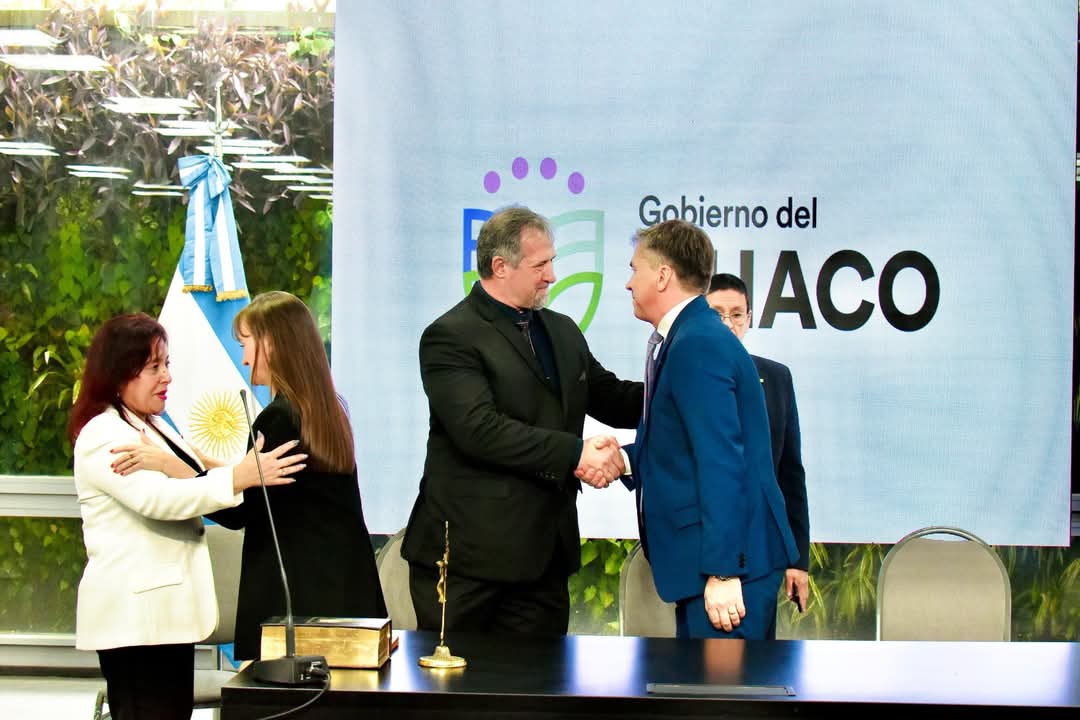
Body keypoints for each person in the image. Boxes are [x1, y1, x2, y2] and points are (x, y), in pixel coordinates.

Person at [401, 205, 642, 636]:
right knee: (463, 678)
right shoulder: (450, 336)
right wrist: (576, 453)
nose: (552, 276)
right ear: (500, 266)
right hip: (470, 564)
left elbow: (612, 397)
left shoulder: (562, 331)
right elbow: (479, 430)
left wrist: (680, 387)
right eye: (540, 265)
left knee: (543, 678)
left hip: (545, 561)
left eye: (552, 262)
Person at [70, 312, 304, 720]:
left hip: (166, 620)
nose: (167, 377)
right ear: (118, 373)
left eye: (168, 364)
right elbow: (158, 500)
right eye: (153, 367)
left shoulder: (153, 426)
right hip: (136, 623)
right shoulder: (103, 434)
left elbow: (192, 469)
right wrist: (241, 476)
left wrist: (239, 471)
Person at [620, 219, 798, 640]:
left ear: (662, 275)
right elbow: (681, 445)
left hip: (728, 574)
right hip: (710, 568)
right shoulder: (689, 336)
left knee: (723, 685)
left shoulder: (697, 342)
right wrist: (624, 460)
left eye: (634, 269)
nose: (628, 283)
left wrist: (723, 571)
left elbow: (722, 460)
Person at [205, 291, 388, 661]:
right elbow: (277, 490)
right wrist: (203, 463)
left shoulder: (277, 419)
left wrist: (179, 473)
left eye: (245, 343)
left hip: (298, 612)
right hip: (345, 595)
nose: (244, 358)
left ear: (271, 343)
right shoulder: (326, 412)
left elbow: (244, 511)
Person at [707, 272, 810, 612]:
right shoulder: (687, 375)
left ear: (749, 318)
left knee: (761, 645)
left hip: (764, 556)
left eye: (737, 314)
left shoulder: (776, 377)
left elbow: (790, 473)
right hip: (707, 559)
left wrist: (798, 559)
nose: (728, 324)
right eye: (717, 314)